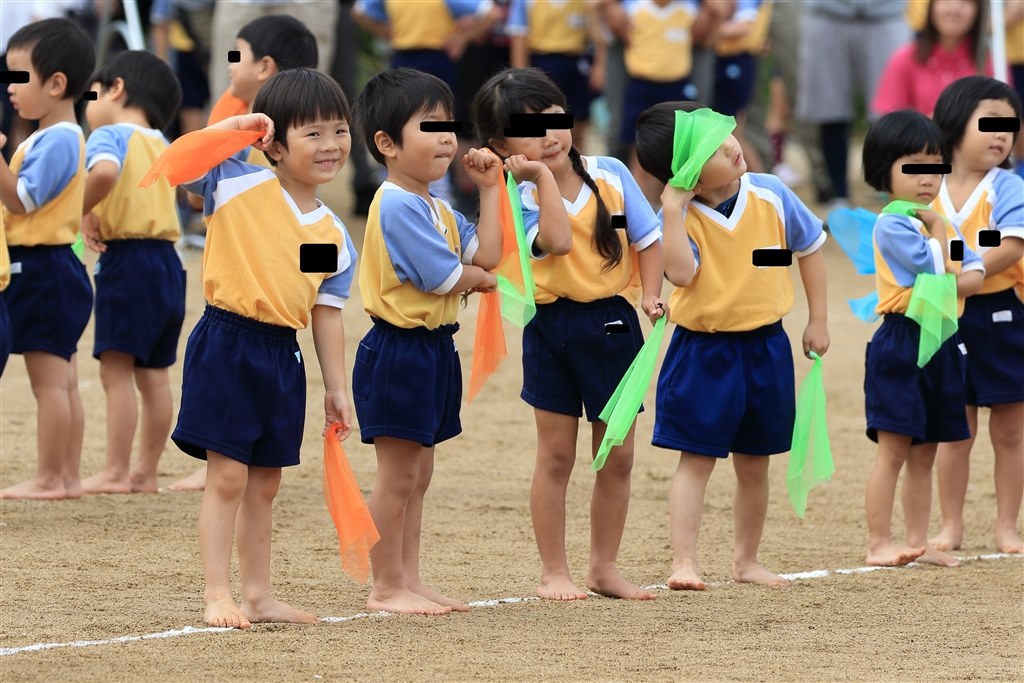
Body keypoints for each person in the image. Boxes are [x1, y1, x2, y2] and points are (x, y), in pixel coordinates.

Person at [161, 68, 358, 628]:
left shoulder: (334, 234)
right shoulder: (233, 180)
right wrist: (238, 126)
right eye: (313, 133)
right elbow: (178, 164)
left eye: (339, 131)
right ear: (272, 143)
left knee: (265, 483)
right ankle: (216, 594)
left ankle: (258, 595)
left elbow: (325, 314)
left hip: (283, 356)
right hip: (226, 341)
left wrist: (337, 389)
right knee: (227, 477)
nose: (330, 145)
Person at [473, 67, 666, 601]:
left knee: (618, 455)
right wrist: (537, 179)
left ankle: (604, 567)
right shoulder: (514, 197)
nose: (549, 135)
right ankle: (553, 572)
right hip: (550, 328)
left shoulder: (609, 172)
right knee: (555, 456)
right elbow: (555, 242)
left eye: (554, 119)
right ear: (500, 145)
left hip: (611, 324)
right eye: (529, 129)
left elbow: (648, 239)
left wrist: (650, 295)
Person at [635, 101, 829, 590]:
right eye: (715, 150)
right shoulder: (677, 215)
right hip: (703, 353)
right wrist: (674, 210)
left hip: (767, 348)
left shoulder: (771, 192)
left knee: (754, 463)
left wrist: (818, 320)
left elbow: (810, 250)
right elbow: (681, 273)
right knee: (695, 460)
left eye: (728, 138)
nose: (733, 147)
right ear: (688, 174)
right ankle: (684, 562)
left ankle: (747, 561)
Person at [351, 68, 502, 615]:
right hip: (399, 351)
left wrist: (490, 189)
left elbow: (486, 255)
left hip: (435, 348)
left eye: (450, 126)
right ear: (387, 144)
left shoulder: (438, 206)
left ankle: (408, 578)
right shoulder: (394, 203)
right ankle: (384, 585)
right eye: (430, 126)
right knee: (398, 476)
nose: (447, 137)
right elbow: (448, 276)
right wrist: (482, 280)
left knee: (421, 473)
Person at [169, 14, 321, 491]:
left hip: (263, 302)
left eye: (236, 54)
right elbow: (191, 179)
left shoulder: (263, 149)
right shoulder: (235, 114)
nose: (229, 64)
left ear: (265, 66)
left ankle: (227, 460)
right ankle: (219, 460)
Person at [859, 109, 985, 567]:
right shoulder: (893, 223)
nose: (927, 178)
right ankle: (879, 542)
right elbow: (936, 269)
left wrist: (952, 259)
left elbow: (971, 265)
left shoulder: (937, 224)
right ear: (884, 172)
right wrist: (942, 242)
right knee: (894, 449)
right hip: (902, 340)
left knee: (926, 449)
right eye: (913, 167)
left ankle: (917, 541)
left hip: (941, 340)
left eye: (935, 166)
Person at [76, 51, 185, 495]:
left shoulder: (107, 135)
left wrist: (74, 212)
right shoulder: (163, 142)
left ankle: (116, 470)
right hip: (168, 264)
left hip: (128, 264)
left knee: (115, 370)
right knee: (154, 374)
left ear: (116, 88)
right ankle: (146, 471)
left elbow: (103, 173)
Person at [0, 18, 95, 500]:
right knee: (64, 381)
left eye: (18, 77)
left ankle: (50, 476)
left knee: (50, 385)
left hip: (42, 269)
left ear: (56, 83)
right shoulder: (57, 136)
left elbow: (21, 200)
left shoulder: (57, 138)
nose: (9, 89)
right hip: (54, 268)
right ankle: (68, 476)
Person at [930, 77, 1024, 555]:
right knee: (956, 428)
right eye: (989, 123)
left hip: (1003, 314)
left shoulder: (1007, 185)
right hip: (946, 313)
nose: (1000, 134)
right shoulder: (930, 185)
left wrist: (962, 273)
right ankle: (951, 526)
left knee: (1010, 429)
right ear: (953, 121)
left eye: (1009, 126)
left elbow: (1010, 246)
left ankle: (1007, 527)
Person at [795, 0, 910, 211]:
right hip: (827, 11)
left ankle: (896, 189)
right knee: (829, 106)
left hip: (887, 12)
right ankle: (838, 194)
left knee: (891, 109)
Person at [507, 0, 604, 151]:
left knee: (578, 125)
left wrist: (600, 65)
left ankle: (577, 167)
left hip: (576, 63)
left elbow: (597, 35)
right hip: (542, 64)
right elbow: (519, 37)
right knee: (542, 124)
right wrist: (520, 79)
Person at [872, 0, 992, 118]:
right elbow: (889, 124)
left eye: (966, 2)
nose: (954, 9)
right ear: (931, 7)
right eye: (946, 1)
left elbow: (1005, 121)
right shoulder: (904, 59)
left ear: (979, 10)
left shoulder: (991, 62)